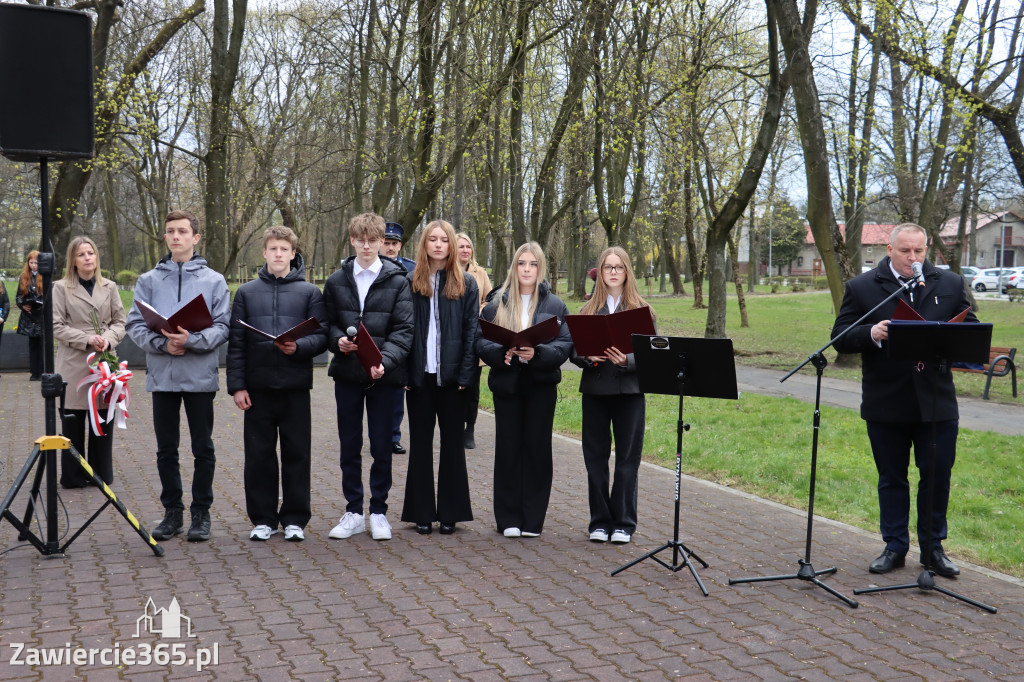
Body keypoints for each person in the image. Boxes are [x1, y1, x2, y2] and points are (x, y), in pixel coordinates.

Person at [832, 223, 978, 578]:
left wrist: (954, 339)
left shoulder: (950, 283)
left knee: (936, 476)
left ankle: (933, 550)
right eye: (905, 251)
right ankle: (895, 546)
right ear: (889, 249)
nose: (913, 259)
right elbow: (841, 337)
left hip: (936, 402)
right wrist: (872, 332)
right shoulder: (863, 287)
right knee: (892, 477)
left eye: (919, 252)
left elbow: (971, 331)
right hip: (887, 400)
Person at [126, 210, 231, 542]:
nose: (175, 236)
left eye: (182, 231)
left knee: (203, 447)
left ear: (195, 238)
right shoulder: (148, 280)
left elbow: (224, 326)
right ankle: (172, 512)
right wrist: (162, 343)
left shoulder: (214, 280)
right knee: (165, 448)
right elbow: (134, 324)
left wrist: (192, 341)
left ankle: (201, 512)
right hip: (163, 376)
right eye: (170, 231)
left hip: (199, 375)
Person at [227, 226, 328, 543]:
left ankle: (295, 519)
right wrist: (237, 386)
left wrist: (299, 347)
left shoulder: (310, 293)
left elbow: (322, 336)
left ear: (293, 254)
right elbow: (236, 344)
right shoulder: (246, 293)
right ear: (265, 253)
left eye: (284, 249)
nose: (279, 254)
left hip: (295, 387)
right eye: (273, 249)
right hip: (257, 390)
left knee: (297, 455)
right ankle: (263, 519)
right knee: (258, 457)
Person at [323, 212, 413, 542]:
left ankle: (378, 512)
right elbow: (327, 324)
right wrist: (338, 342)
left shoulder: (398, 280)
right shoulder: (335, 281)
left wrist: (385, 361)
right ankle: (353, 511)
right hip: (347, 374)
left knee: (382, 446)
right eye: (360, 240)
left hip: (385, 377)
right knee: (350, 444)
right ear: (352, 240)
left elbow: (405, 330)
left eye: (373, 240)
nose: (366, 245)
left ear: (382, 242)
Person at [477, 241, 572, 538]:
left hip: (541, 386)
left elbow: (565, 344)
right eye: (522, 264)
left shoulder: (555, 305)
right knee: (508, 450)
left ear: (540, 268)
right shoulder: (498, 303)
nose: (527, 269)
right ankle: (508, 519)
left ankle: (532, 520)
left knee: (537, 449)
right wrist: (500, 355)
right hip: (507, 385)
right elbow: (481, 340)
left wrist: (539, 355)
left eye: (532, 264)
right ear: (514, 267)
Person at [401, 220, 479, 535]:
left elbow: (472, 331)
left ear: (451, 246)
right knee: (420, 444)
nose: (437, 245)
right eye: (431, 239)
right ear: (424, 245)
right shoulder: (409, 281)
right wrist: (406, 371)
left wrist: (465, 373)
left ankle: (451, 512)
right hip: (419, 378)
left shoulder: (467, 284)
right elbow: (404, 331)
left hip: (452, 380)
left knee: (452, 446)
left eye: (443, 240)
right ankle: (421, 511)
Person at [570, 247, 651, 544]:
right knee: (595, 458)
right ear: (600, 273)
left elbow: (653, 357)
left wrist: (627, 361)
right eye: (607, 267)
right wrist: (588, 357)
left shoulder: (643, 310)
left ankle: (624, 523)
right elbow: (573, 351)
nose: (613, 272)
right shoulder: (587, 310)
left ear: (627, 272)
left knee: (628, 459)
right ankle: (600, 522)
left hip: (630, 392)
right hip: (595, 390)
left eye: (618, 267)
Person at [51, 236, 127, 488]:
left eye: (91, 253)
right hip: (74, 363)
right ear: (73, 260)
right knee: (73, 423)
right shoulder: (60, 288)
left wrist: (107, 338)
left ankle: (100, 473)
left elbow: (120, 321)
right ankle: (72, 475)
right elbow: (56, 326)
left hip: (104, 362)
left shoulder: (110, 287)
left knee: (102, 420)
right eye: (82, 254)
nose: (88, 258)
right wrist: (86, 338)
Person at [379, 221, 416, 455]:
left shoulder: (411, 269)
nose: (390, 248)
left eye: (394, 244)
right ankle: (378, 433)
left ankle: (393, 436)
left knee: (397, 392)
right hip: (378, 332)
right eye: (386, 243)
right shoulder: (373, 267)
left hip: (401, 333)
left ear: (400, 245)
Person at [455, 232, 492, 449]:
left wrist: (477, 312)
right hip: (452, 337)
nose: (466, 251)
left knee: (472, 387)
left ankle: (470, 428)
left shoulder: (480, 274)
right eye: (461, 247)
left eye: (468, 247)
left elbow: (489, 300)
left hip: (474, 336)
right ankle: (454, 426)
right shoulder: (446, 272)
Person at [16, 250, 45, 380]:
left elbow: (49, 297)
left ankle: (42, 371)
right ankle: (34, 372)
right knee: (32, 344)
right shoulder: (24, 277)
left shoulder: (44, 276)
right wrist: (22, 305)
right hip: (29, 315)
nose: (34, 265)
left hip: (41, 315)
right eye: (31, 262)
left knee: (41, 344)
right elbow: (18, 297)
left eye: (36, 263)